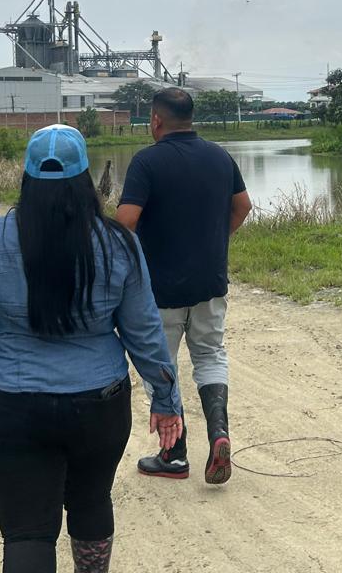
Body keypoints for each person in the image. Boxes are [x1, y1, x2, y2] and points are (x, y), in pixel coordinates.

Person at [0, 124, 183, 573]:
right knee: (91, 500)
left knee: (27, 528)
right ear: (85, 179)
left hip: (13, 407)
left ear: (27, 178)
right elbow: (144, 331)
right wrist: (165, 398)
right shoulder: (119, 243)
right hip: (99, 407)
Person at [115, 87, 253, 484]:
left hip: (160, 289)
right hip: (210, 281)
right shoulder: (220, 156)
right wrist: (215, 242)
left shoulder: (147, 161)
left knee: (162, 365)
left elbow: (125, 222)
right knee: (210, 355)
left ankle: (174, 454)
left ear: (156, 120)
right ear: (191, 117)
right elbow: (243, 206)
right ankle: (219, 434)